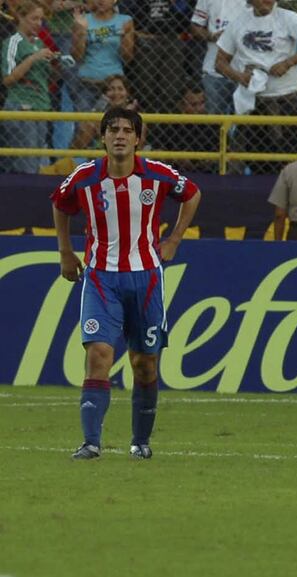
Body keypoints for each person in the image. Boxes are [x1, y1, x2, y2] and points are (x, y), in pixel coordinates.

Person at [51, 107, 202, 460]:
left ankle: (140, 442)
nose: (119, 135)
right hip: (101, 278)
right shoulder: (84, 177)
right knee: (99, 355)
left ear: (138, 138)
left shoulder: (157, 175)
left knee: (145, 363)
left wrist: (175, 238)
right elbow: (60, 203)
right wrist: (65, 252)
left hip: (147, 278)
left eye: (127, 130)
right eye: (113, 129)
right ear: (102, 136)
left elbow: (193, 193)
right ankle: (91, 442)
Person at [215, 0, 297, 173]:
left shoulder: (287, 18)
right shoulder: (239, 22)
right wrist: (239, 77)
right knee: (254, 157)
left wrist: (289, 62)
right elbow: (220, 62)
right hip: (252, 99)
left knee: (287, 156)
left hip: (285, 96)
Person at [1, 0, 55, 174]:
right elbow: (8, 79)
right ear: (21, 18)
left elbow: (47, 78)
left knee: (38, 162)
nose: (38, 23)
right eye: (34, 18)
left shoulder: (39, 43)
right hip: (22, 106)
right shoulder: (13, 42)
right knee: (27, 165)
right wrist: (33, 58)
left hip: (41, 106)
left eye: (41, 19)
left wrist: (56, 62)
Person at [70, 0, 134, 112]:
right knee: (85, 126)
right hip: (88, 82)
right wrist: (81, 32)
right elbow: (77, 56)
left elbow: (127, 57)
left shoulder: (125, 20)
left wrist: (125, 38)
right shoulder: (83, 20)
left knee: (112, 124)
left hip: (113, 86)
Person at [190, 0, 246, 115]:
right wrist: (212, 36)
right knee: (214, 118)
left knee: (244, 119)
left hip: (245, 70)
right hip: (213, 69)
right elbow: (195, 26)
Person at [150, 84, 220, 173]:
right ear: (181, 105)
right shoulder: (169, 124)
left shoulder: (213, 125)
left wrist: (204, 162)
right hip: (173, 173)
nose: (200, 108)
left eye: (202, 103)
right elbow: (156, 151)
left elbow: (223, 155)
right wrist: (175, 158)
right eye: (194, 104)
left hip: (207, 174)